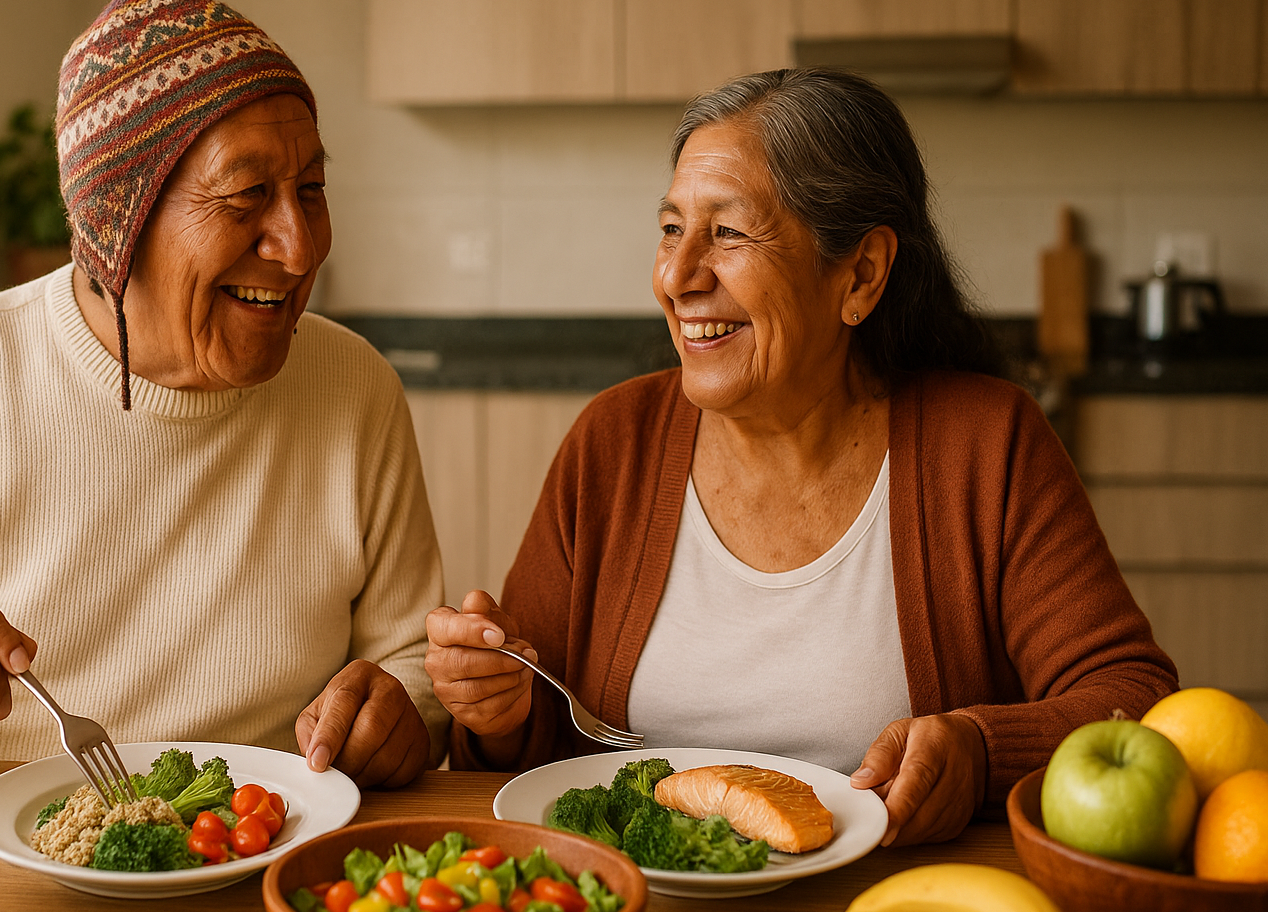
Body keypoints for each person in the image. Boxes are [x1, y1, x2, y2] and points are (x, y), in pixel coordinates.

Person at [425, 69, 1179, 845]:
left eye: (728, 233)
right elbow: (536, 736)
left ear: (860, 275)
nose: (677, 278)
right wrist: (501, 709)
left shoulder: (986, 445)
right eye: (671, 228)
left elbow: (1133, 699)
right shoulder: (611, 442)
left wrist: (982, 751)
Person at [0, 0, 446, 788]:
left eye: (310, 191)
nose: (298, 245)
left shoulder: (355, 387)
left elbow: (410, 661)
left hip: (260, 864)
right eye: (248, 195)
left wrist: (398, 712)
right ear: (119, 224)